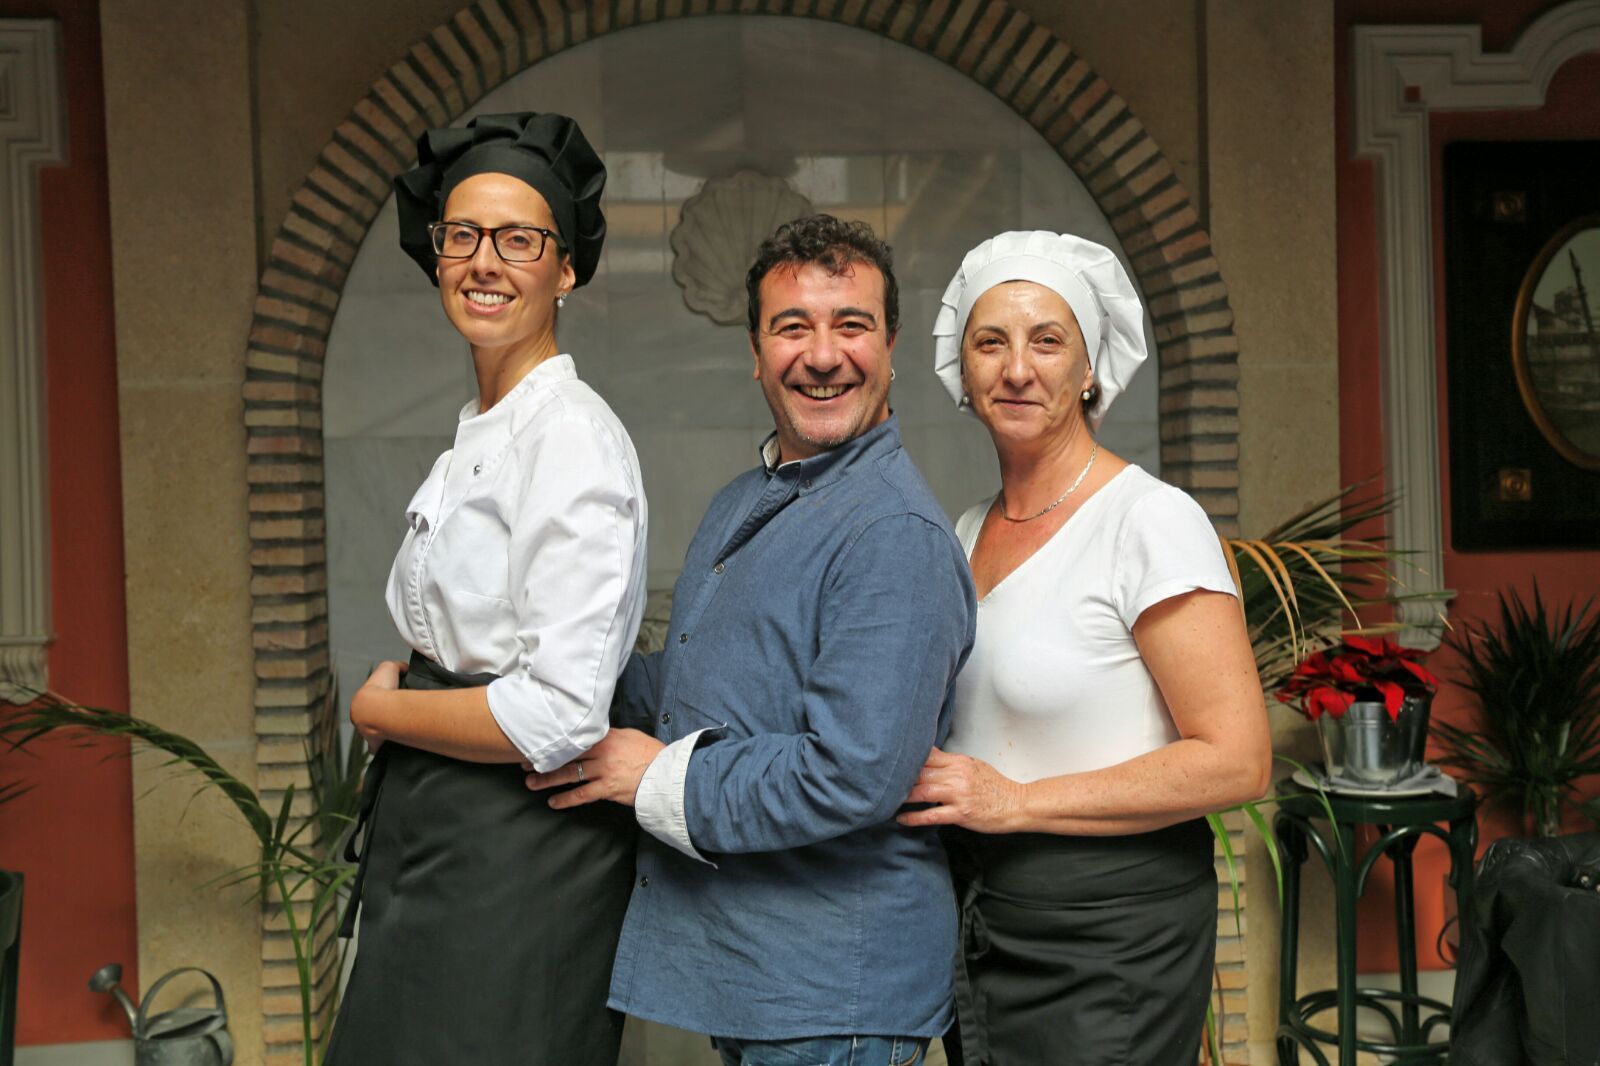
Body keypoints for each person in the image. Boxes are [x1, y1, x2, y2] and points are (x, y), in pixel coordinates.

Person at [526, 214, 977, 1066]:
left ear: (891, 347)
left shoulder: (894, 533)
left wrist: (651, 775)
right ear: (755, 348)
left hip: (833, 994)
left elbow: (852, 772)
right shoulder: (746, 500)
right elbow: (705, 682)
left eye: (851, 325)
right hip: (759, 978)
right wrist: (532, 683)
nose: (821, 354)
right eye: (792, 327)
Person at [898, 231, 1273, 1066]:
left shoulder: (1149, 520)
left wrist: (1017, 804)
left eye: (1047, 340)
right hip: (985, 917)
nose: (1017, 368)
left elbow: (1237, 761)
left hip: (1112, 933)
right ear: (963, 374)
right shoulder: (963, 531)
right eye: (990, 343)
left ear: (1090, 367)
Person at [325, 112, 647, 1066]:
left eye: (519, 239)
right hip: (445, 834)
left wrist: (383, 709)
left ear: (567, 268)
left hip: (520, 855)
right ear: (436, 258)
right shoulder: (485, 429)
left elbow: (559, 712)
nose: (485, 261)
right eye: (461, 235)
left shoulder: (572, 440)